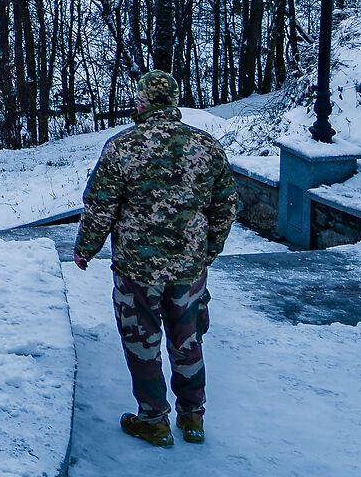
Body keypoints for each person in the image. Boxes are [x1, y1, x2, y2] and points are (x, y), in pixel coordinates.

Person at [73, 70, 239, 448]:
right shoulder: (206, 146)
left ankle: (154, 420)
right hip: (188, 268)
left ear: (143, 102)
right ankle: (193, 417)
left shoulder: (122, 147)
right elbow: (226, 205)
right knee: (188, 340)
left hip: (137, 269)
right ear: (175, 102)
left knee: (142, 343)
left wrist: (86, 249)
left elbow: (100, 207)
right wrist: (208, 250)